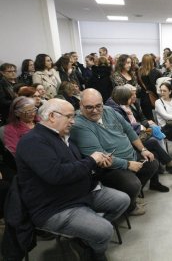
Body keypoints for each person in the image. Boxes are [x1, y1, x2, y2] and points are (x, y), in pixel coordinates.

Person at [15, 98, 130, 261]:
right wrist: (91, 161)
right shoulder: (33, 141)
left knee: (122, 200)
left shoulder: (62, 137)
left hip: (78, 194)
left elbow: (78, 167)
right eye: (69, 116)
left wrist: (98, 164)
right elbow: (56, 174)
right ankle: (93, 251)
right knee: (104, 230)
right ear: (53, 116)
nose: (73, 121)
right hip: (55, 206)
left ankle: (84, 238)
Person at [70, 89, 169, 210]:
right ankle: (129, 206)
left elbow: (129, 130)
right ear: (81, 105)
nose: (95, 110)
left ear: (102, 103)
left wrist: (143, 150)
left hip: (130, 156)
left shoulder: (109, 110)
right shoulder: (79, 125)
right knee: (133, 184)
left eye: (98, 106)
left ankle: (131, 196)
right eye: (89, 107)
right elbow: (102, 157)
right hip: (109, 167)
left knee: (152, 163)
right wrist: (127, 164)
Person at [105, 86, 172, 175]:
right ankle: (168, 164)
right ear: (124, 97)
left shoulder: (128, 104)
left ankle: (165, 166)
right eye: (132, 94)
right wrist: (142, 127)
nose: (134, 96)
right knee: (154, 140)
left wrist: (145, 124)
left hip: (137, 131)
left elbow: (140, 118)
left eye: (135, 93)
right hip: (129, 139)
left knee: (156, 135)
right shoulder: (116, 110)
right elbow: (127, 128)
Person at [137, 54, 161, 120]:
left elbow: (138, 83)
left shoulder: (139, 72)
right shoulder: (156, 72)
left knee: (148, 118)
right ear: (152, 61)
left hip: (143, 97)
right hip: (154, 97)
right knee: (156, 118)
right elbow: (157, 86)